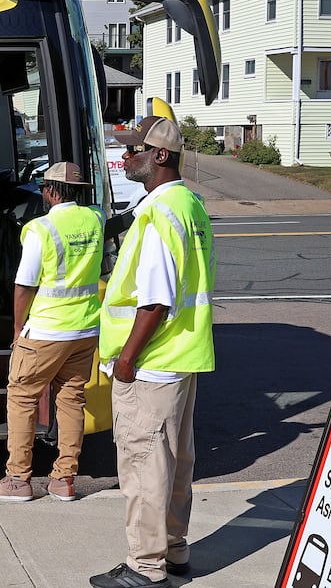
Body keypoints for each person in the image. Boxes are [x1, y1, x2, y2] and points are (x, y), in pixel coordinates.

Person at [88, 116, 215, 588]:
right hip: (182, 356)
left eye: (134, 150)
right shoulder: (191, 206)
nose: (125, 157)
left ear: (160, 155)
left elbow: (155, 300)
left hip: (150, 364)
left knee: (144, 465)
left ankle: (145, 567)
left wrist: (125, 361)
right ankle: (175, 550)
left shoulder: (160, 213)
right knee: (177, 460)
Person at [0, 161, 104, 503]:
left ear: (49, 191)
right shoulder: (95, 219)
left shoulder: (41, 229)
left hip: (47, 330)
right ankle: (64, 479)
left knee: (21, 398)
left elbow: (24, 285)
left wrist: (18, 328)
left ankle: (18, 479)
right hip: (84, 329)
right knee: (71, 399)